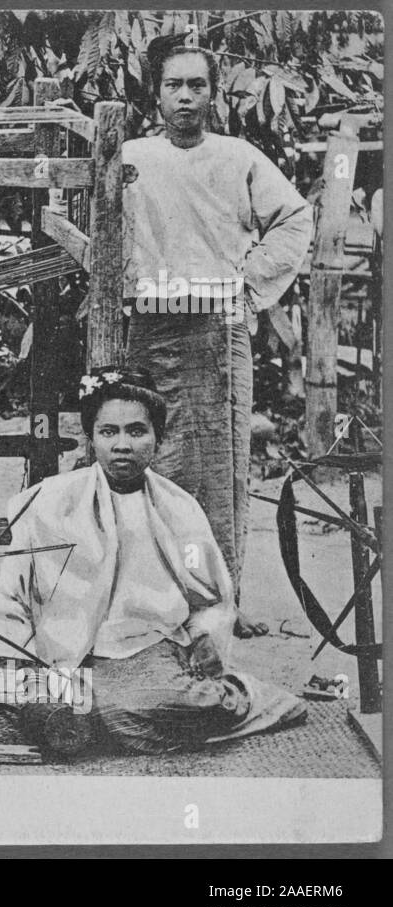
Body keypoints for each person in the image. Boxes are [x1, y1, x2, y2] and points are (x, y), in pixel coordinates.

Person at [0, 367, 307, 755]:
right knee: (23, 696)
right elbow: (11, 594)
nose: (123, 445)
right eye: (109, 432)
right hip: (60, 651)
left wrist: (203, 641)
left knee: (147, 705)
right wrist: (12, 666)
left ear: (158, 438)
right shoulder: (50, 503)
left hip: (144, 651)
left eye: (137, 431)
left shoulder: (179, 510)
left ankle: (242, 696)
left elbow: (212, 599)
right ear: (91, 438)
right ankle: (96, 714)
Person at [123, 36, 313, 637]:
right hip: (146, 329)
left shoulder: (239, 158)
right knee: (151, 463)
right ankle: (153, 601)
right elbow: (92, 227)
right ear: (155, 93)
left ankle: (221, 600)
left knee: (220, 469)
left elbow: (293, 218)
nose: (185, 97)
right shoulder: (129, 157)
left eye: (197, 85)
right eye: (174, 85)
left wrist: (245, 283)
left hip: (219, 332)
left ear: (213, 94)